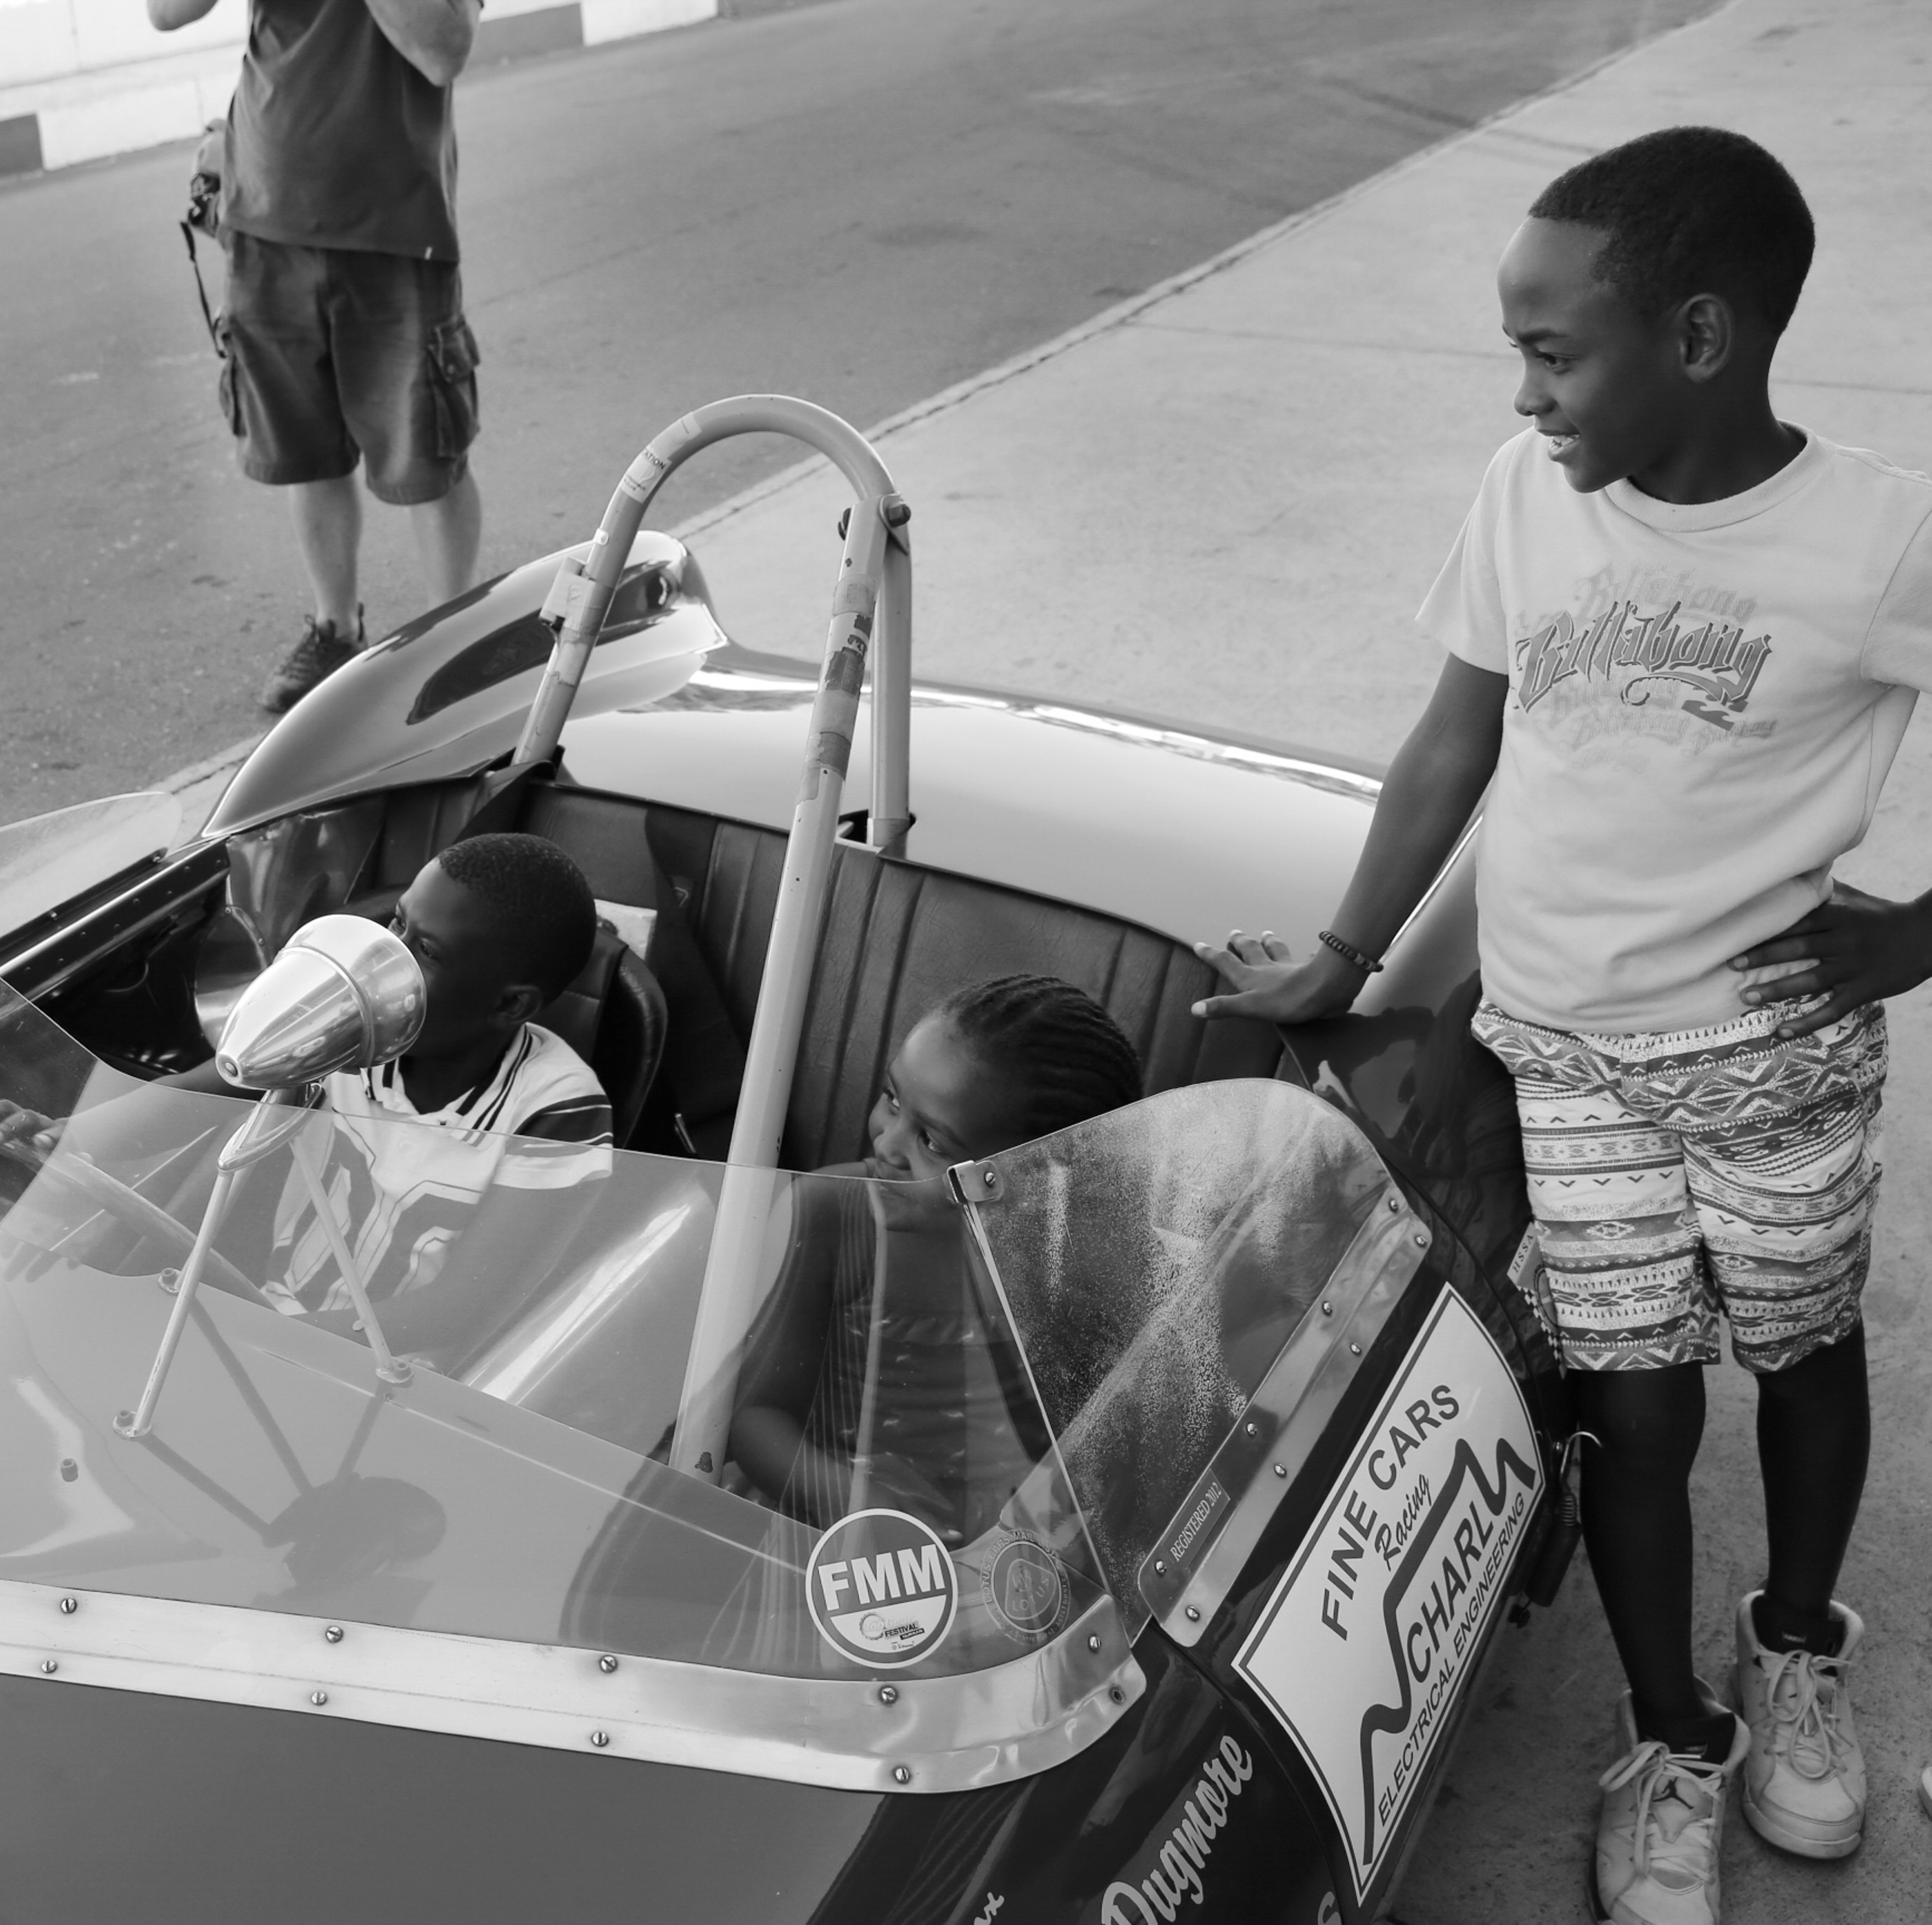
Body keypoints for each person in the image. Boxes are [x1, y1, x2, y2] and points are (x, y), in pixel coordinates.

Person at [1194, 129, 1927, 1923]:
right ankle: (1669, 1727)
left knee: (1802, 1350)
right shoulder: (1525, 497)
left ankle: (1794, 1642)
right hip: (1567, 1054)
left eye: (1550, 350)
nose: (1523, 393)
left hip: (1771, 1056)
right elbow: (1458, 738)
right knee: (1633, 1399)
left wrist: (1921, 930)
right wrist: (1351, 952)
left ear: (1699, 336)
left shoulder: (1878, 535)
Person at [0, 832, 607, 1339]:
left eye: (425, 951)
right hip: (270, 1314)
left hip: (407, 1381)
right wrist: (63, 1139)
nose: (388, 958)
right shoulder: (352, 1024)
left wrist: (277, 1342)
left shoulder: (557, 1111)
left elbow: (462, 1309)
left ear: (510, 1004)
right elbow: (197, 1096)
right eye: (397, 925)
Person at [147, 0, 487, 712]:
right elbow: (167, 12)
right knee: (306, 452)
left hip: (397, 227)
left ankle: (453, 644)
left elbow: (442, 50)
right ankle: (336, 630)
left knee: (427, 454)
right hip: (264, 216)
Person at [727, 975, 1143, 1536]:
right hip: (833, 1519)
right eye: (892, 1100)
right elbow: (754, 1417)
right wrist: (851, 1501)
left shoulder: (1062, 1256)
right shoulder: (832, 1213)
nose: (886, 1144)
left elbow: (1096, 1416)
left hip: (1004, 1536)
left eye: (931, 1141)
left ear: (1032, 1175)